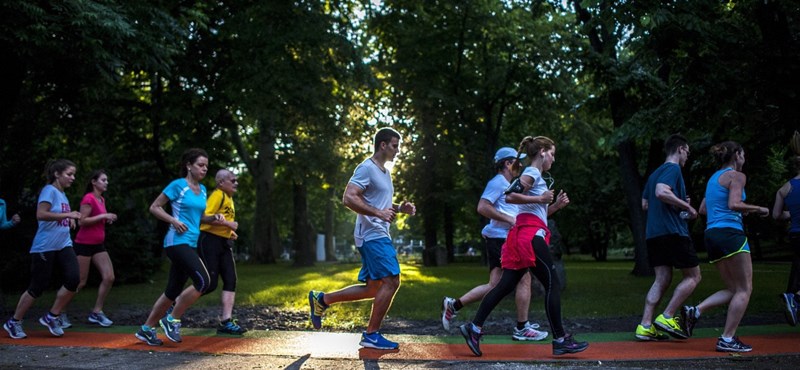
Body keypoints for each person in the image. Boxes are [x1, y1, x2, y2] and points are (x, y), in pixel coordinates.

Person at [459, 136, 588, 356]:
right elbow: (509, 197)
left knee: (504, 285)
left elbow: (533, 214)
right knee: (552, 285)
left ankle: (473, 328)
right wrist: (541, 199)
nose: (554, 160)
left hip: (523, 234)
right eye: (553, 154)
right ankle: (560, 340)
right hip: (529, 237)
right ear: (543, 152)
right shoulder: (532, 173)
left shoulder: (533, 175)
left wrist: (554, 205)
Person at [308, 127, 416, 350]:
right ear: (383, 145)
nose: (398, 151)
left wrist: (398, 208)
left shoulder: (385, 173)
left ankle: (322, 300)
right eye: (395, 146)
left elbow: (380, 204)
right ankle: (371, 334)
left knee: (374, 288)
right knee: (392, 280)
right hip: (371, 234)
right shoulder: (366, 168)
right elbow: (348, 198)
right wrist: (378, 214)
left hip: (377, 233)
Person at [441, 147, 548, 342]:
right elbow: (482, 207)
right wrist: (508, 218)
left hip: (505, 238)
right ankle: (522, 327)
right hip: (500, 238)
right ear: (507, 163)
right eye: (518, 161)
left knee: (496, 284)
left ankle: (454, 305)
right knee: (523, 279)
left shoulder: (511, 184)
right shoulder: (498, 182)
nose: (521, 164)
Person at [682, 141, 769, 353]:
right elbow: (733, 204)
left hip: (711, 235)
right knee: (745, 289)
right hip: (730, 234)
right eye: (743, 155)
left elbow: (703, 209)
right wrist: (757, 208)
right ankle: (727, 339)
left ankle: (696, 311)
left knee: (733, 288)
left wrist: (736, 210)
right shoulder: (737, 176)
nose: (744, 159)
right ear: (737, 155)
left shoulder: (713, 179)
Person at [135, 148, 222, 346]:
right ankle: (171, 319)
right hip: (176, 242)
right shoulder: (178, 185)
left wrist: (213, 218)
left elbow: (198, 218)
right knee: (203, 281)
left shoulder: (203, 191)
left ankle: (146, 329)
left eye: (206, 166)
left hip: (190, 243)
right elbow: (154, 207)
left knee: (172, 291)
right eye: (200, 165)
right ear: (188, 165)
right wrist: (173, 221)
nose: (204, 169)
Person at [3, 159, 82, 339]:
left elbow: (59, 215)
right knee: (37, 287)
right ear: (57, 174)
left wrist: (68, 219)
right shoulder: (49, 191)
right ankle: (14, 321)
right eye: (69, 174)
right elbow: (41, 214)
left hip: (63, 244)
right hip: (45, 246)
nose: (73, 178)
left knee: (73, 279)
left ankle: (52, 316)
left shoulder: (62, 195)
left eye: (73, 174)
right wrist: (68, 214)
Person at [635, 134, 700, 341]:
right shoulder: (673, 169)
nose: (687, 157)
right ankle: (667, 316)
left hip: (654, 234)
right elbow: (662, 192)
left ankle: (645, 326)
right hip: (673, 232)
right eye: (687, 152)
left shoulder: (655, 173)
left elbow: (646, 204)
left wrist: (677, 201)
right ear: (680, 149)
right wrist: (687, 206)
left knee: (662, 278)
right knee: (693, 276)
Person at [198, 169, 247, 335]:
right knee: (209, 283)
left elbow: (219, 219)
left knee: (230, 279)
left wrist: (228, 232)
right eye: (232, 181)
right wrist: (228, 225)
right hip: (209, 241)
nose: (236, 183)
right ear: (221, 183)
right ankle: (174, 305)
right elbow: (204, 217)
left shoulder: (228, 198)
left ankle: (226, 321)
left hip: (223, 243)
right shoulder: (217, 195)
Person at [72, 170, 118, 327]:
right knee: (79, 282)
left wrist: (107, 219)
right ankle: (58, 313)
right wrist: (103, 216)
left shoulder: (101, 199)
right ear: (94, 182)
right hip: (83, 245)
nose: (106, 182)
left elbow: (96, 221)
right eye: (103, 180)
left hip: (98, 245)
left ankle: (97, 312)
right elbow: (82, 221)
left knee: (109, 277)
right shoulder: (89, 198)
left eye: (107, 180)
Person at [772, 155, 800, 327]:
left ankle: (795, 298)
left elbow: (776, 215)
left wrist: (791, 214)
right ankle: (795, 297)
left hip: (795, 235)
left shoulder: (785, 188)